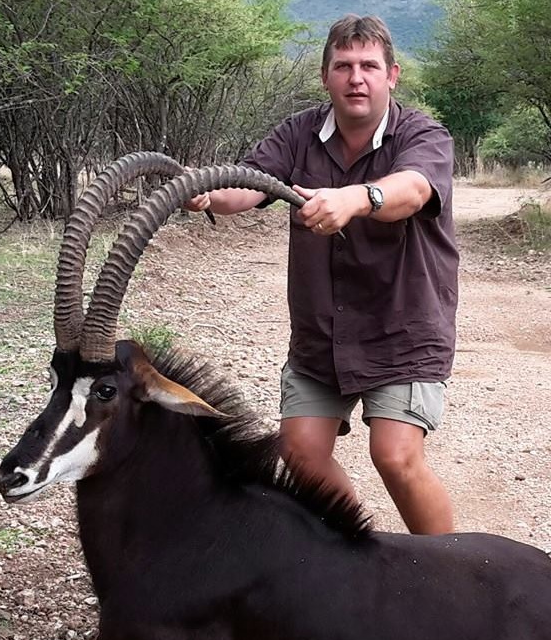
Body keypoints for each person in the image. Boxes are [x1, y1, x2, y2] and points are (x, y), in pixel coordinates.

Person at [186, 14, 458, 535]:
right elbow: (249, 184)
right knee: (300, 451)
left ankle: (454, 571)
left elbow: (414, 190)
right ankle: (364, 555)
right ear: (325, 75)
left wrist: (357, 198)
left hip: (404, 329)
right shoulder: (298, 133)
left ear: (392, 75)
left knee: (395, 455)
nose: (357, 78)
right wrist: (205, 192)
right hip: (322, 334)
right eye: (343, 66)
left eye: (369, 66)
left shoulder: (422, 133)